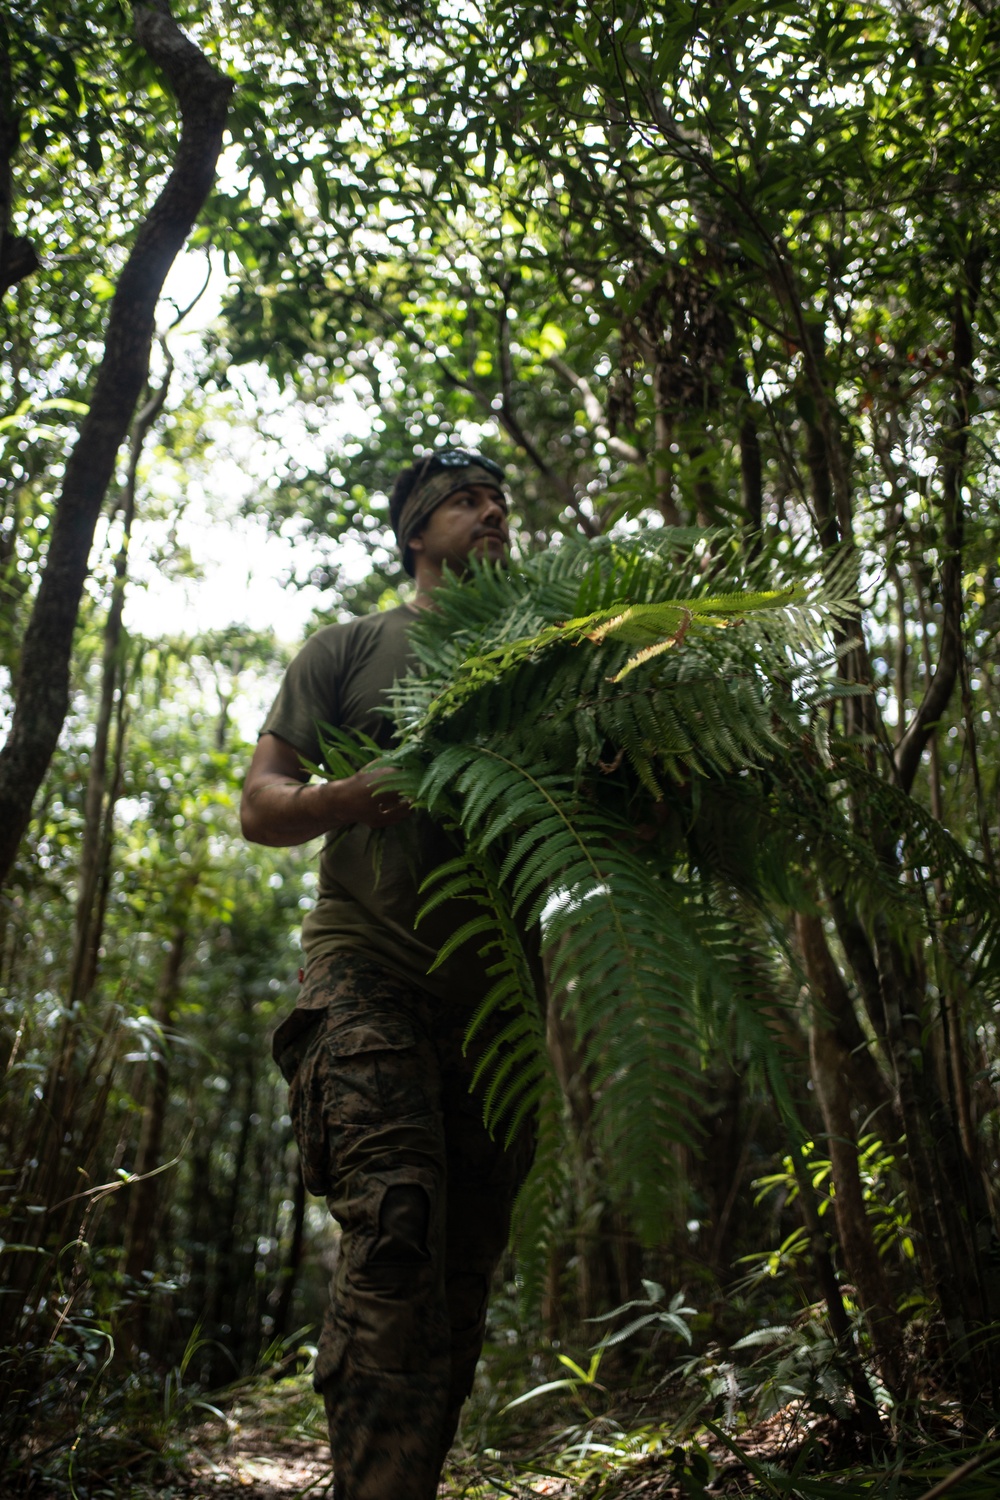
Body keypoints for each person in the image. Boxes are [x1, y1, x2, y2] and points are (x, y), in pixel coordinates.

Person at [241, 450, 537, 1500]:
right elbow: (260, 803)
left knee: (458, 1276)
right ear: (417, 532)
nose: (491, 512)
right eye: (465, 501)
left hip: (501, 1011)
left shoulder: (553, 657)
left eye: (498, 501)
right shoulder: (351, 649)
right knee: (397, 1229)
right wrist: (345, 799)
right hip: (365, 971)